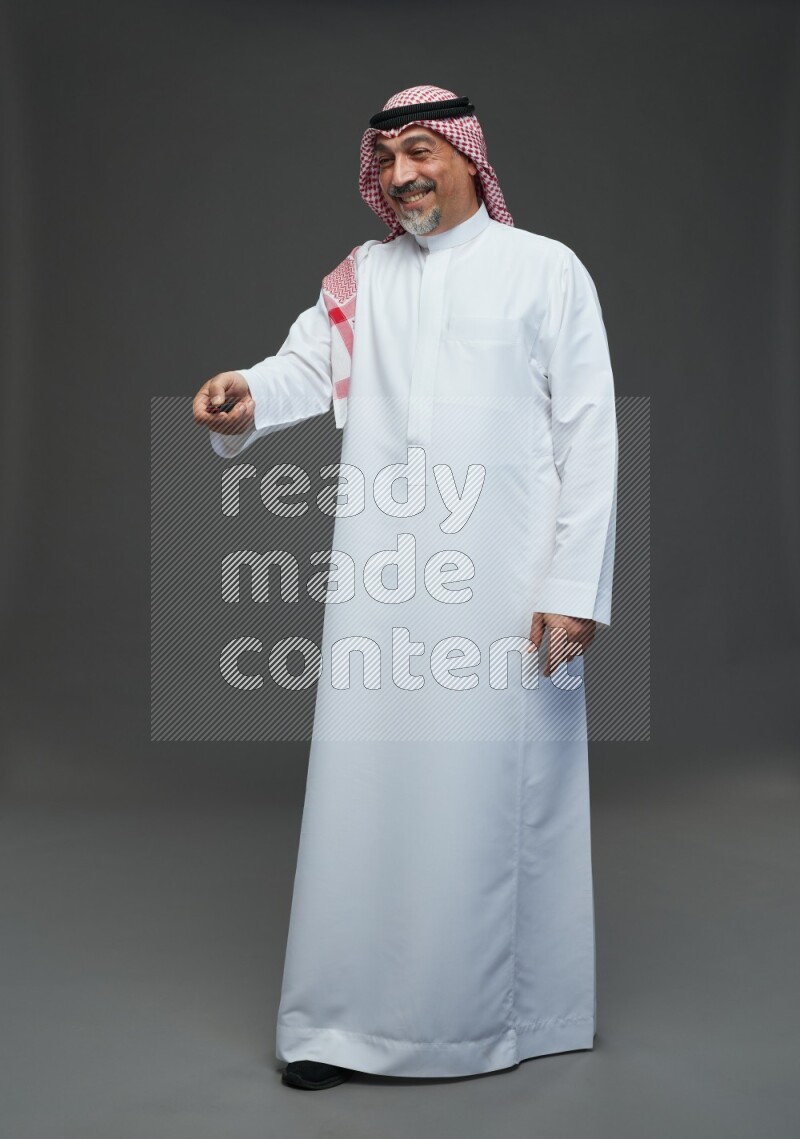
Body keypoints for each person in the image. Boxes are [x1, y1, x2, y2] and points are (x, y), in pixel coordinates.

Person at [193, 85, 618, 1091]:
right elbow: (303, 366)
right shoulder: (364, 278)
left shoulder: (543, 272)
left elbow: (588, 435)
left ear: (472, 157)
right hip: (385, 588)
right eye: (386, 159)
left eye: (420, 152)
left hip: (508, 590)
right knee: (367, 794)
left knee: (488, 802)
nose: (402, 175)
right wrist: (241, 398)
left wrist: (572, 586)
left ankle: (494, 1021)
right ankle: (341, 1023)